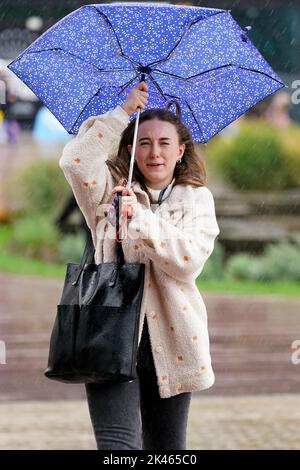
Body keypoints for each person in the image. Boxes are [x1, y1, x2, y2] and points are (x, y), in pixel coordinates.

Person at [58, 81, 220, 450]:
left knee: (167, 448)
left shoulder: (196, 200)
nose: (154, 152)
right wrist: (122, 113)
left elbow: (188, 260)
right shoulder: (107, 190)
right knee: (118, 447)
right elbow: (74, 162)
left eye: (164, 143)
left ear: (180, 151)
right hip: (108, 334)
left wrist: (142, 220)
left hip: (176, 339)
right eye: (143, 143)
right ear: (130, 149)